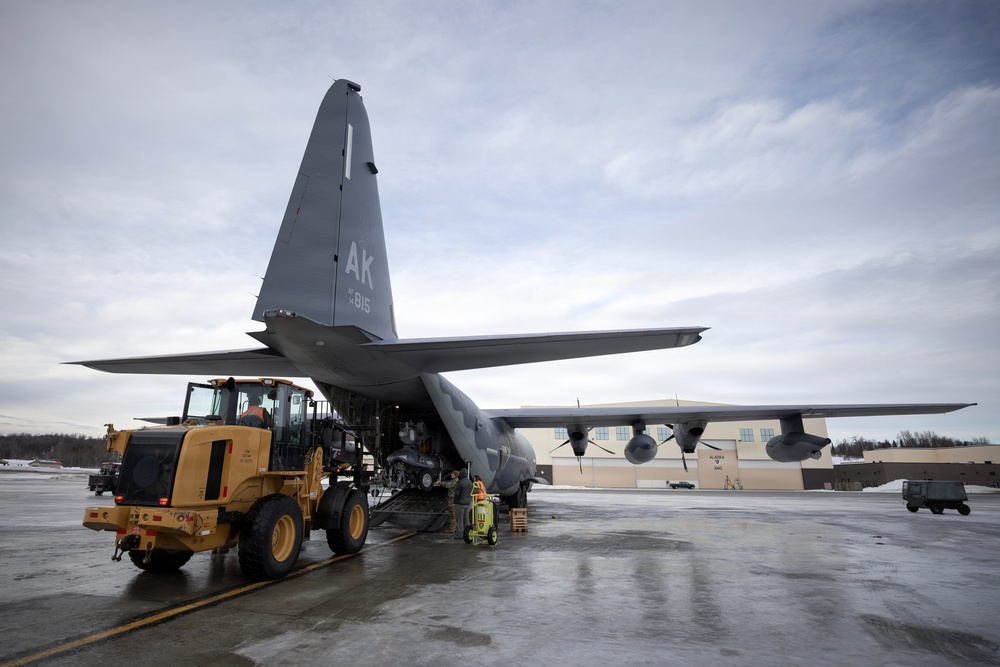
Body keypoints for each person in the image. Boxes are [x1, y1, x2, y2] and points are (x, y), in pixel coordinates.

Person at [437, 470, 460, 534]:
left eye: (452, 474)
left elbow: (448, 485)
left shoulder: (454, 481)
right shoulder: (456, 480)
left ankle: (453, 528)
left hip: (452, 500)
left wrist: (440, 483)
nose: (451, 475)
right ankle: (455, 527)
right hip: (452, 499)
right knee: (453, 514)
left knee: (453, 514)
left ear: (455, 475)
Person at [454, 468, 472, 540]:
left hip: (460, 504)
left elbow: (457, 493)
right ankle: (467, 533)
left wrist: (455, 501)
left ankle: (460, 535)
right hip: (467, 503)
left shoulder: (460, 482)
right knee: (466, 519)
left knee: (459, 520)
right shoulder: (470, 482)